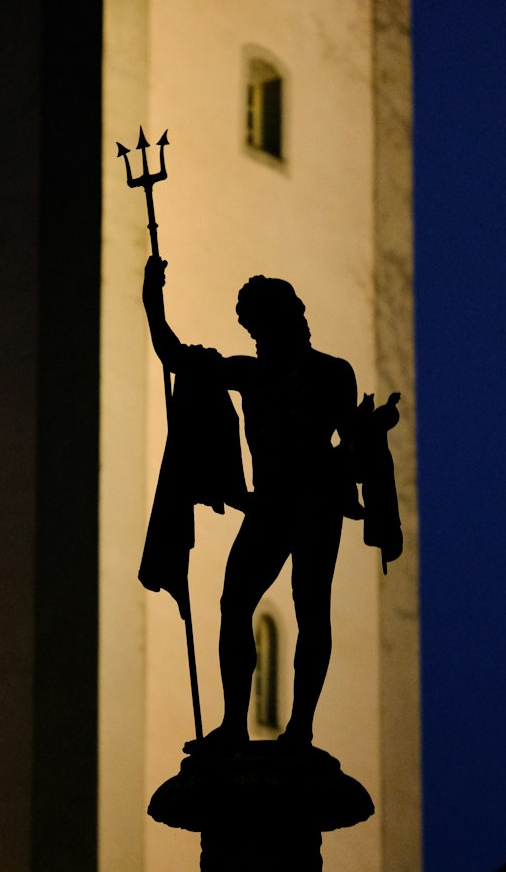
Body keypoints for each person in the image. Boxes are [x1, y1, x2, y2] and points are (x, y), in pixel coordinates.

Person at [143, 254, 358, 748]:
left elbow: (351, 444)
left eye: (261, 326)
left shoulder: (331, 373)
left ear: (289, 320)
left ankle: (300, 728)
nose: (257, 338)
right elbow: (177, 360)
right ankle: (234, 726)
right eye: (252, 329)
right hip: (269, 506)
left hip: (315, 503)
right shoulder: (253, 373)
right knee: (234, 602)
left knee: (310, 608)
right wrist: (152, 300)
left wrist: (364, 442)